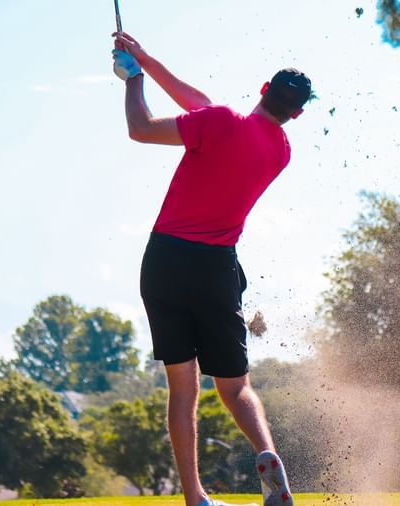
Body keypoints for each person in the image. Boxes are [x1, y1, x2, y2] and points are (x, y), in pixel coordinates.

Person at [111, 32, 310, 506]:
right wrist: (144, 56)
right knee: (235, 386)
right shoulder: (279, 151)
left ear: (263, 88)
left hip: (164, 263)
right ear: (296, 114)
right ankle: (267, 455)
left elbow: (140, 127)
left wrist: (131, 79)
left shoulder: (219, 122)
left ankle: (196, 498)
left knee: (182, 390)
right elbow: (201, 105)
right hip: (216, 268)